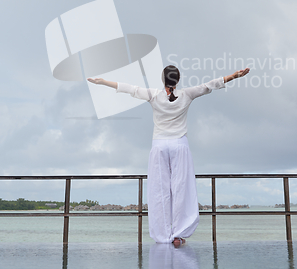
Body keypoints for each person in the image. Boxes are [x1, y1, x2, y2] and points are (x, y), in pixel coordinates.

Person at [88, 65, 250, 247]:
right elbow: (209, 85)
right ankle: (178, 234)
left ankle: (163, 235)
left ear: (163, 79)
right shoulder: (187, 94)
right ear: (178, 80)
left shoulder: (153, 95)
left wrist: (102, 82)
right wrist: (235, 76)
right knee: (182, 188)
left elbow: (129, 88)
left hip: (159, 146)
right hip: (179, 145)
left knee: (159, 191)